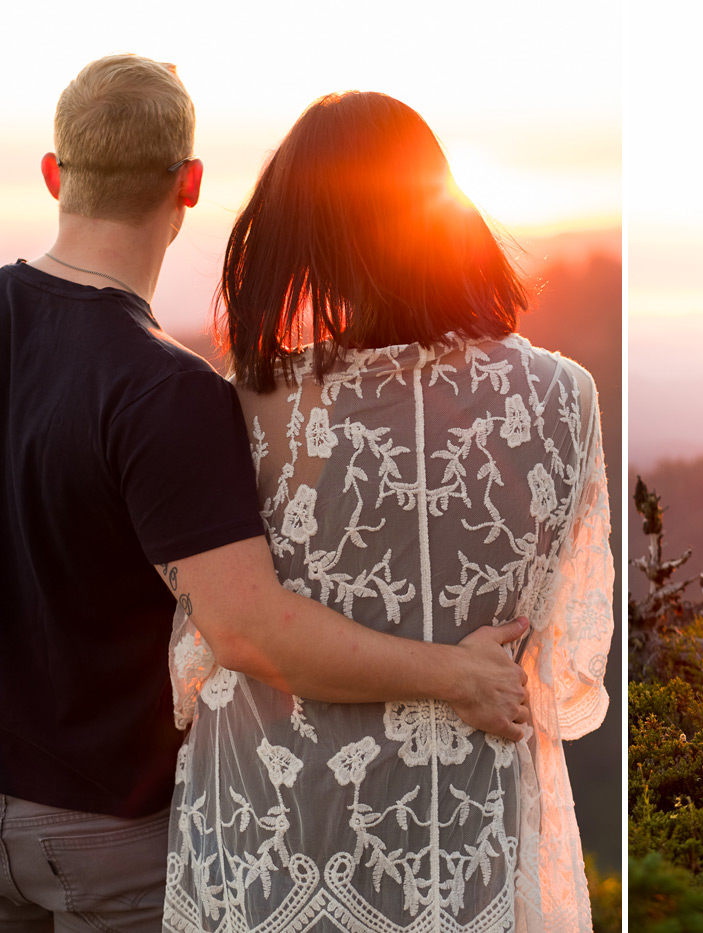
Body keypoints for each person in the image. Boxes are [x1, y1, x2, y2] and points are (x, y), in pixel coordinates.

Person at [0, 55, 528, 929]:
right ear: (191, 185)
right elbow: (245, 628)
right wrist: (456, 675)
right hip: (107, 837)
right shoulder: (164, 391)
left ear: (54, 174)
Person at [162, 91, 613, 933]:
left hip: (271, 845)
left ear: (302, 239)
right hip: (459, 843)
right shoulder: (568, 399)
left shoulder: (248, 405)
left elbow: (221, 640)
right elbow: (551, 659)